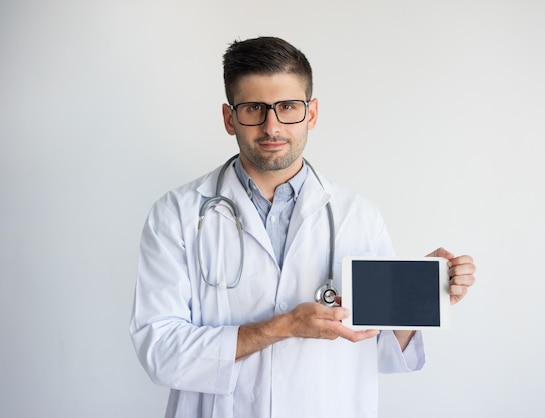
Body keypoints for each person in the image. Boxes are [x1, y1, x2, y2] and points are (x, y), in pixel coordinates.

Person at [130, 36, 476, 418]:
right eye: (253, 109)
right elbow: (160, 351)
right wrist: (282, 326)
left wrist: (420, 292)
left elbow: (382, 349)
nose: (271, 126)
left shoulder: (357, 214)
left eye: (288, 107)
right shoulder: (176, 214)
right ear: (230, 118)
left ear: (311, 113)